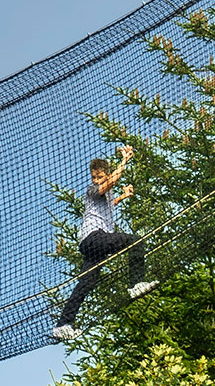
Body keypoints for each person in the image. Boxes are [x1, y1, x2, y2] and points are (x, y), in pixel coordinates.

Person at [51, 143, 153, 343]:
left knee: (87, 282)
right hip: (94, 238)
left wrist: (124, 196)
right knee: (135, 241)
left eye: (99, 177)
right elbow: (110, 184)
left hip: (92, 248)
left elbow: (110, 203)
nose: (96, 181)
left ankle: (63, 325)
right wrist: (124, 160)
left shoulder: (106, 197)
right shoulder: (92, 191)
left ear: (104, 174)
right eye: (94, 178)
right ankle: (135, 284)